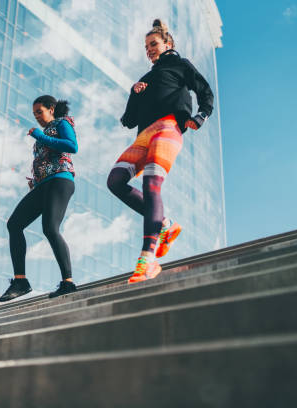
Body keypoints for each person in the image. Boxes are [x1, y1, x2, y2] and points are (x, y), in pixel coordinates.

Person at [107, 19, 214, 284]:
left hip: (168, 128)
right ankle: (165, 223)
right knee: (115, 180)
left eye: (153, 44)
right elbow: (129, 120)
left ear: (168, 44)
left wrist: (201, 116)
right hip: (144, 134)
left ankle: (148, 258)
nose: (149, 50)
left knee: (151, 183)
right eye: (146, 47)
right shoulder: (145, 79)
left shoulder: (180, 65)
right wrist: (135, 93)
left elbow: (205, 92)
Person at [0, 95, 79, 301]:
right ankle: (20, 282)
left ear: (51, 109)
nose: (36, 117)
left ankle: (68, 283)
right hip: (43, 185)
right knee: (14, 224)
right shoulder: (44, 132)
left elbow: (71, 146)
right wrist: (35, 180)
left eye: (39, 112)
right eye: (34, 114)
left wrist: (39, 136)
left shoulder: (63, 123)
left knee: (50, 228)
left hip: (61, 180)